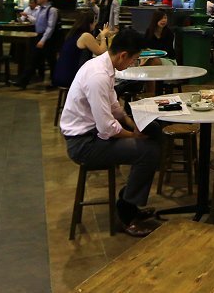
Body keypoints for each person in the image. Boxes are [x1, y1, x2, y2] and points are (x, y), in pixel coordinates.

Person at [59, 28, 165, 238]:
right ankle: (126, 214)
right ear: (123, 55)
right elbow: (107, 128)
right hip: (83, 144)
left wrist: (130, 122)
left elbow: (114, 107)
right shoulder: (98, 75)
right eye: (133, 60)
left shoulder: (103, 66)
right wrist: (134, 136)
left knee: (156, 138)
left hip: (92, 135)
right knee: (148, 151)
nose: (132, 65)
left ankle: (131, 204)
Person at [17, 0, 60, 88]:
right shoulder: (39, 9)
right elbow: (36, 21)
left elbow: (50, 27)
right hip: (38, 35)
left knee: (51, 61)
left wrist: (43, 40)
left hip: (48, 38)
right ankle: (23, 81)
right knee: (32, 59)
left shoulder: (52, 10)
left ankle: (55, 82)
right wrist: (27, 15)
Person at [52, 10, 103, 89]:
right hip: (70, 77)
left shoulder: (73, 34)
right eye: (94, 21)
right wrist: (103, 36)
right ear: (89, 23)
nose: (95, 24)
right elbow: (101, 52)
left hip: (60, 74)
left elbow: (94, 45)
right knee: (100, 81)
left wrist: (99, 37)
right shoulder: (85, 35)